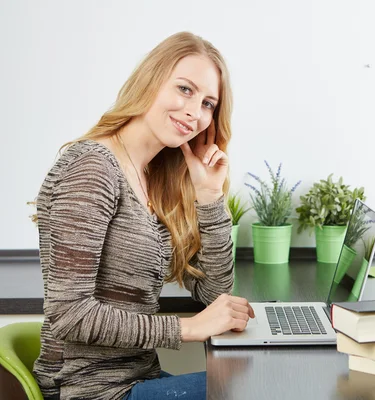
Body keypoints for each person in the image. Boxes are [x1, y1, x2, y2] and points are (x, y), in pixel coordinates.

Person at [31, 31, 255, 400]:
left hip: (138, 379)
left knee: (256, 378)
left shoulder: (158, 178)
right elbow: (70, 314)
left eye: (208, 104)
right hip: (88, 390)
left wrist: (210, 197)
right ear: (150, 80)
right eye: (185, 89)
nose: (194, 112)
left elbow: (214, 293)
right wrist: (187, 328)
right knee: (254, 388)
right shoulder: (92, 168)